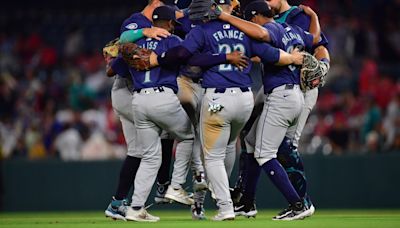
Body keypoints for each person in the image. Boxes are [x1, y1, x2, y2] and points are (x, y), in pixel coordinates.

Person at [134, 0, 304, 220]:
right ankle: (214, 190)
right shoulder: (244, 30)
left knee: (211, 155)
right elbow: (270, 54)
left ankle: (224, 206)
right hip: (244, 100)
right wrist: (292, 58)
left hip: (217, 99)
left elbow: (184, 55)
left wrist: (159, 58)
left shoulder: (203, 30)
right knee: (230, 144)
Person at [224, 1, 321, 220]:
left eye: (250, 20)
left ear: (257, 17)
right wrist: (314, 17)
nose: (250, 24)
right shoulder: (293, 30)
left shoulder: (271, 28)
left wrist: (227, 18)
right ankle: (247, 202)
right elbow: (315, 39)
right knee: (250, 139)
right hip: (294, 94)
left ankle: (298, 204)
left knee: (264, 154)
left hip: (281, 96)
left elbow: (261, 37)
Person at [103, 0, 179, 221]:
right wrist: (146, 31)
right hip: (128, 91)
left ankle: (118, 202)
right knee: (164, 130)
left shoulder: (161, 27)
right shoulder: (138, 22)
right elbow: (122, 44)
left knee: (137, 151)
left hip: (130, 92)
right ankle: (164, 185)